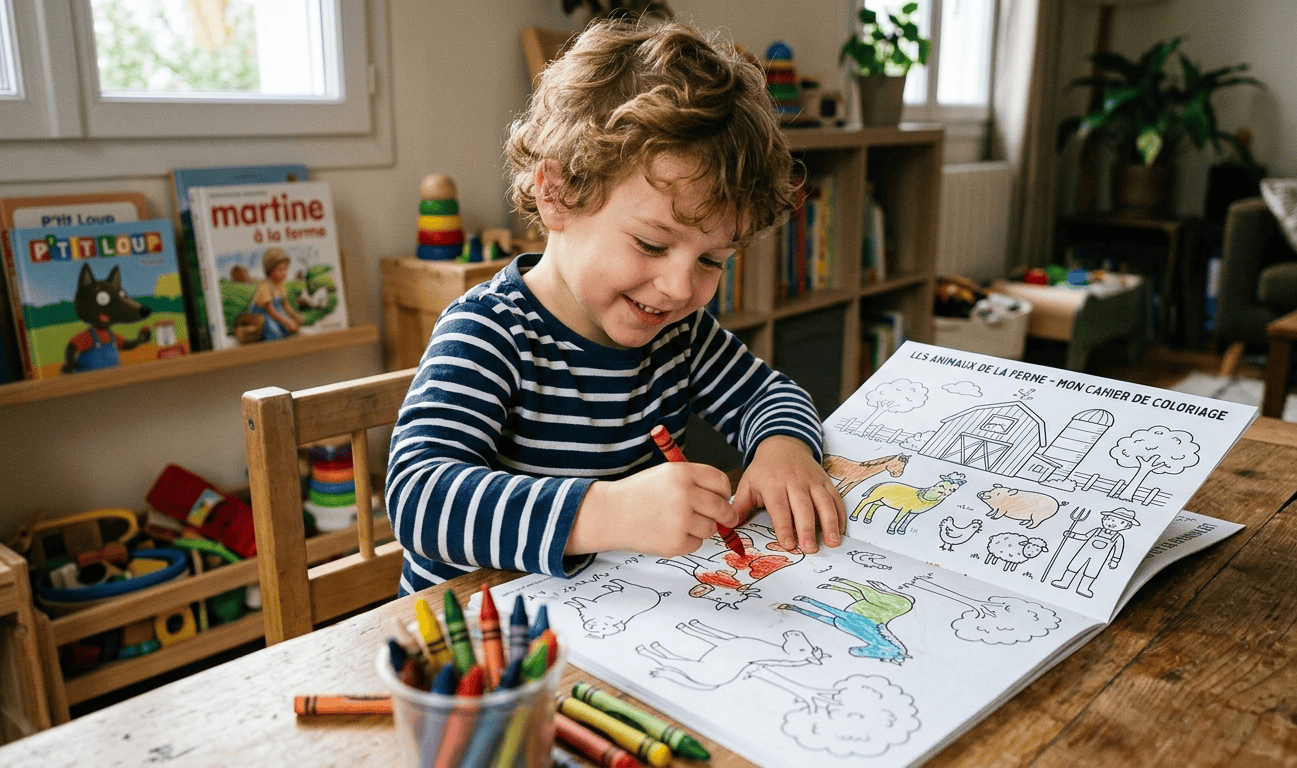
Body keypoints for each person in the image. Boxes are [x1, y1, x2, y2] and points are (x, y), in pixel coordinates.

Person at [385, 19, 844, 595]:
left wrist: (785, 449)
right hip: (480, 641)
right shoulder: (489, 331)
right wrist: (607, 512)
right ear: (557, 194)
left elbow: (770, 394)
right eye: (651, 244)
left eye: (711, 261)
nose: (680, 288)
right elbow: (419, 499)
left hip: (604, 625)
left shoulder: (680, 335)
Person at [248, 247, 302, 340]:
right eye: (280, 269)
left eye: (285, 269)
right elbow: (271, 310)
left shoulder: (280, 284)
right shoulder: (265, 285)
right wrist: (287, 322)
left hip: (273, 315)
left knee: (287, 331)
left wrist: (294, 316)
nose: (284, 273)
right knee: (275, 334)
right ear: (270, 269)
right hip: (260, 316)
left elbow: (285, 304)